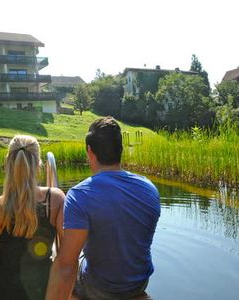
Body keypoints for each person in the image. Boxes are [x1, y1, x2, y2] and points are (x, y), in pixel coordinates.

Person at [46, 116, 160, 300]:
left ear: (90, 151)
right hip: (139, 284)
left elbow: (67, 267)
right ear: (120, 150)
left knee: (61, 258)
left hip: (100, 290)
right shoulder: (149, 188)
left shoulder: (79, 195)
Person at [0, 135, 65, 300]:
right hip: (42, 291)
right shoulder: (56, 198)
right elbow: (66, 246)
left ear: (7, 162)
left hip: (0, 292)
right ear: (39, 165)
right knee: (48, 245)